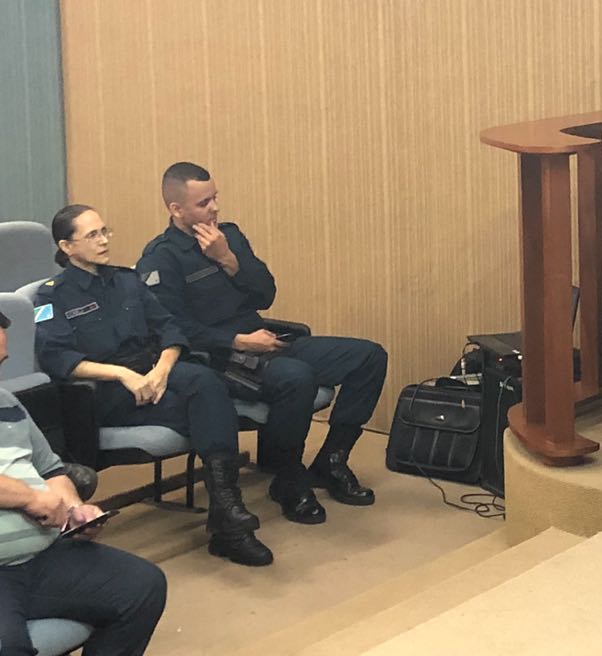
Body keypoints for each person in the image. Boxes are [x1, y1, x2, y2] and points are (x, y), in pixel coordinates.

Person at [137, 162, 388, 525]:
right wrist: (236, 340)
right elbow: (171, 328)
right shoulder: (161, 257)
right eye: (203, 203)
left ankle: (332, 460)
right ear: (176, 209)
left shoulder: (229, 237)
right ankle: (288, 478)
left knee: (368, 357)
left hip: (261, 340)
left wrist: (228, 259)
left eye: (215, 198)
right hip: (217, 357)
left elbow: (265, 293)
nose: (214, 208)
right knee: (295, 377)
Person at [33, 205, 274, 567]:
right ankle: (229, 523)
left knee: (207, 383)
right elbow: (58, 359)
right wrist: (123, 375)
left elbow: (170, 328)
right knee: (208, 410)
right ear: (67, 247)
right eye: (92, 235)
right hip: (107, 388)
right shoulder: (52, 296)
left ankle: (227, 515)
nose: (103, 241)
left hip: (153, 370)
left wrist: (162, 368)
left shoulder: (127, 280)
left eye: (104, 231)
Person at [0, 307, 167, 656]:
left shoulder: (7, 402)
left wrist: (74, 510)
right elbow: (33, 492)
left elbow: (51, 470)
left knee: (141, 587)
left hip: (42, 557)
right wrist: (29, 498)